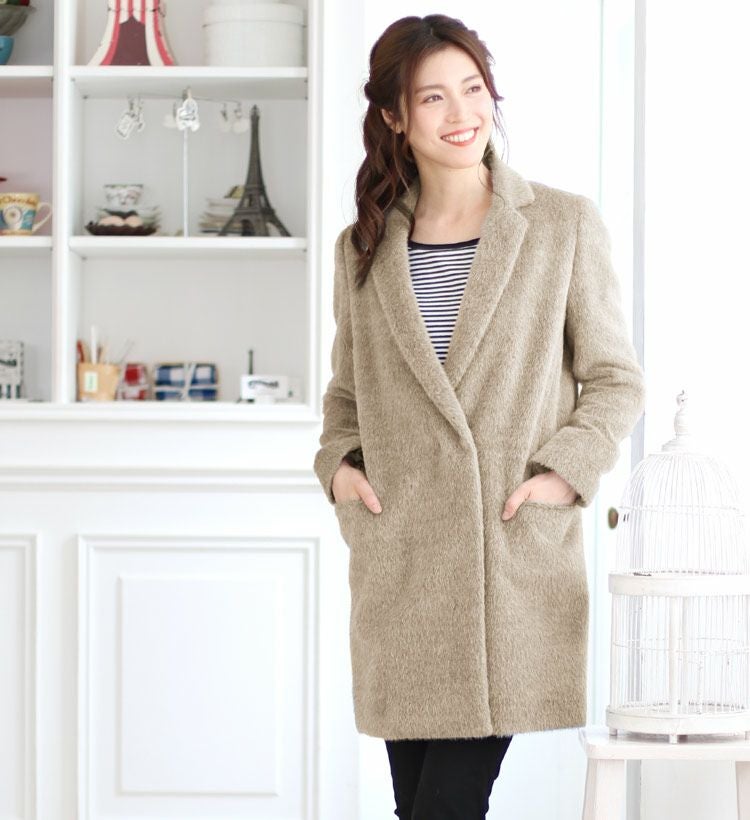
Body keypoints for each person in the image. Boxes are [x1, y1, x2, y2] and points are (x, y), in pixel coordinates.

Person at [314, 13, 646, 820]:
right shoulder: (362, 247)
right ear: (394, 116)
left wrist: (561, 477)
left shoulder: (560, 225)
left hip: (504, 560)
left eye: (473, 88)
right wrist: (341, 471)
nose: (462, 113)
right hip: (402, 567)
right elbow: (346, 395)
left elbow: (614, 380)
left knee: (444, 808)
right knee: (418, 810)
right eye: (433, 97)